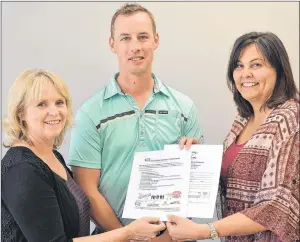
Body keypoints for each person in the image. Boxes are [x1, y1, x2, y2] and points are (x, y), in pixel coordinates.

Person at [67, 3, 203, 241]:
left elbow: (193, 189)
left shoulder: (184, 108)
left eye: (143, 37)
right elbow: (87, 190)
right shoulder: (90, 113)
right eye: (125, 38)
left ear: (156, 40)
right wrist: (129, 236)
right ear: (112, 44)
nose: (135, 47)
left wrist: (196, 160)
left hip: (172, 238)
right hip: (114, 236)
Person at [1, 69, 166, 242]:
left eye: (59, 102)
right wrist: (128, 233)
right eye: (41, 104)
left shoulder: (53, 157)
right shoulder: (21, 170)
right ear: (21, 114)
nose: (54, 111)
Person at [165, 32, 299, 242]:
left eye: (256, 65)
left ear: (279, 70)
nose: (245, 73)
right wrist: (198, 159)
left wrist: (205, 231)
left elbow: (276, 206)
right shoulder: (242, 120)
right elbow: (233, 176)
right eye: (239, 65)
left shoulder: (291, 119)